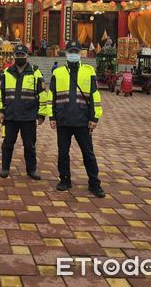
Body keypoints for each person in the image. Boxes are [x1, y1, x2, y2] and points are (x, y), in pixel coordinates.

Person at [47, 40, 105, 198]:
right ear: (66, 54)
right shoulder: (57, 73)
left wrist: (95, 117)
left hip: (82, 120)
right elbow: (51, 95)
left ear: (81, 54)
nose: (73, 54)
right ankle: (65, 179)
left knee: (88, 153)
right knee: (63, 152)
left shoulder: (89, 71)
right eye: (70, 52)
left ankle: (94, 183)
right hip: (63, 120)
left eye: (76, 52)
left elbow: (94, 96)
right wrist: (51, 116)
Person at [0, 43, 47, 180]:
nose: (19, 57)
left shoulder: (35, 73)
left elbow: (42, 94)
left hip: (28, 116)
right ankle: (5, 167)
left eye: (22, 55)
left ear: (27, 57)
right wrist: (0, 110)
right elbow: (2, 93)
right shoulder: (7, 73)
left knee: (30, 145)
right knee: (7, 143)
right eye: (17, 55)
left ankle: (32, 169)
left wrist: (42, 114)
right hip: (11, 115)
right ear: (14, 57)